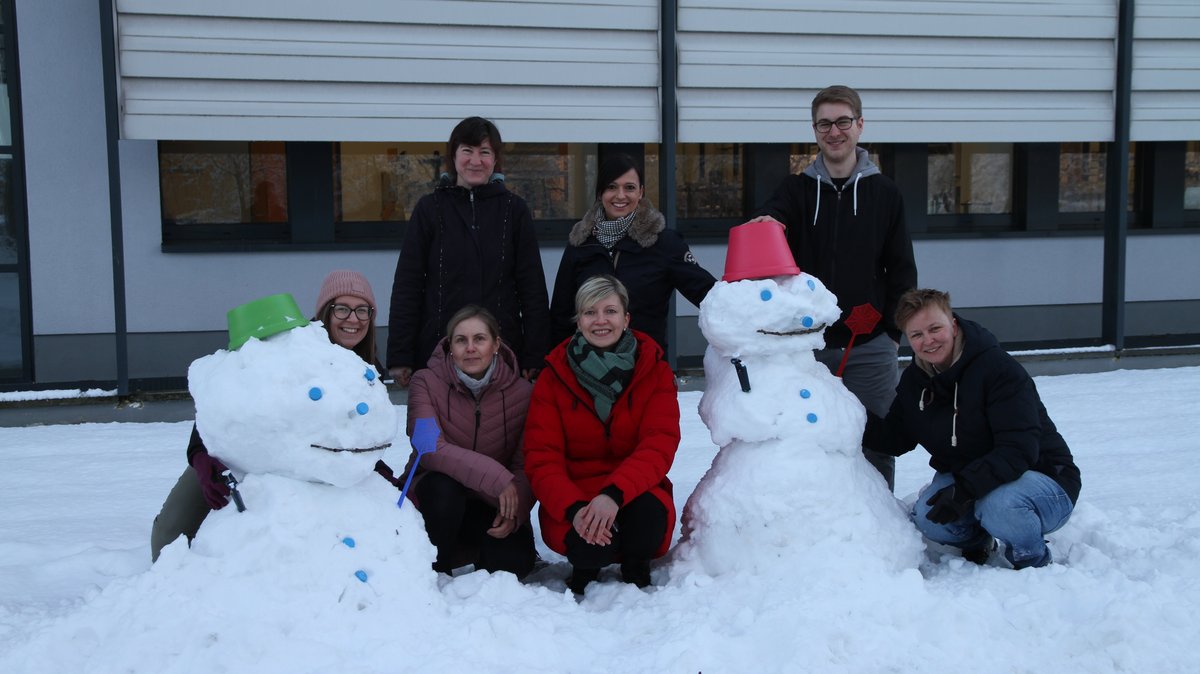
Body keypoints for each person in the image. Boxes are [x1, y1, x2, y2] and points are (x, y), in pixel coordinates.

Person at [150, 270, 382, 561]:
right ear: (325, 311)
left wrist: (377, 468)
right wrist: (201, 456)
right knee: (169, 538)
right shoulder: (286, 347)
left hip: (312, 469)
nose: (353, 319)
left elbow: (359, 430)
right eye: (343, 309)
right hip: (243, 457)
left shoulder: (367, 368)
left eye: (363, 310)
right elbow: (225, 400)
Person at [751, 84, 917, 491]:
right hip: (807, 348)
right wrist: (767, 223)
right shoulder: (795, 190)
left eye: (843, 121)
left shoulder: (886, 193)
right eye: (824, 123)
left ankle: (878, 529)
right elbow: (773, 216)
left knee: (876, 442)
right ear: (814, 130)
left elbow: (901, 270)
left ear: (860, 126)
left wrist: (893, 335)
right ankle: (820, 526)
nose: (834, 131)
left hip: (870, 345)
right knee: (807, 439)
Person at [864, 289, 1081, 569]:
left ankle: (1031, 556)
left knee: (999, 507)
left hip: (1043, 479)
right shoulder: (915, 383)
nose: (928, 340)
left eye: (935, 328)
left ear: (953, 325)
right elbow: (894, 438)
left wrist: (965, 490)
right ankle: (978, 542)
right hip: (972, 479)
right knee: (929, 518)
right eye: (917, 334)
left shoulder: (998, 370)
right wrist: (844, 412)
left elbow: (1019, 449)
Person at [523, 275, 680, 593]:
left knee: (647, 519)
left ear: (626, 318)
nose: (600, 320)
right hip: (574, 494)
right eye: (590, 312)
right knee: (588, 547)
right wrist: (575, 509)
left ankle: (636, 565)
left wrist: (613, 495)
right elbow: (542, 456)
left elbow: (659, 443)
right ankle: (585, 569)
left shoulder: (654, 369)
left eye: (610, 311)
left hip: (634, 490)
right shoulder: (554, 376)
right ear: (578, 321)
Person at [386, 116, 550, 388]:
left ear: (495, 159)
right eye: (468, 151)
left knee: (500, 428)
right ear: (454, 155)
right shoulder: (430, 209)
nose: (476, 161)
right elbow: (408, 286)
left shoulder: (514, 210)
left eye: (484, 152)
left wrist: (535, 354)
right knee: (437, 427)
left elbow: (532, 288)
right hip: (439, 351)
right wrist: (400, 354)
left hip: (502, 351)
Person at [398, 305, 537, 577]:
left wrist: (516, 507)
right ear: (450, 347)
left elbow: (527, 462)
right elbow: (429, 449)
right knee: (443, 490)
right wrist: (498, 478)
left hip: (488, 501)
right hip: (435, 496)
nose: (470, 348)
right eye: (461, 340)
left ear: (496, 344)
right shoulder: (425, 382)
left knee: (515, 564)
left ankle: (472, 550)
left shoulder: (523, 393)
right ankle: (436, 562)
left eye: (480, 339)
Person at [549, 153, 716, 354]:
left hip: (645, 366)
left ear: (641, 192)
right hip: (589, 368)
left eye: (629, 187)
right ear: (600, 192)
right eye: (612, 187)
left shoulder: (664, 243)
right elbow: (561, 313)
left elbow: (710, 296)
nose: (620, 195)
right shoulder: (580, 243)